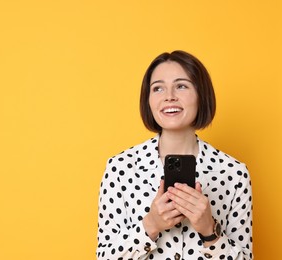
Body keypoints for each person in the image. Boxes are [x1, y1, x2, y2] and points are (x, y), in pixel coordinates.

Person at [96, 50, 253, 260]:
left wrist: (209, 231)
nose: (169, 96)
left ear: (201, 95)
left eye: (181, 86)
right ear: (148, 100)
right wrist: (151, 225)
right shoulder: (120, 168)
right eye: (158, 88)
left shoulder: (234, 174)